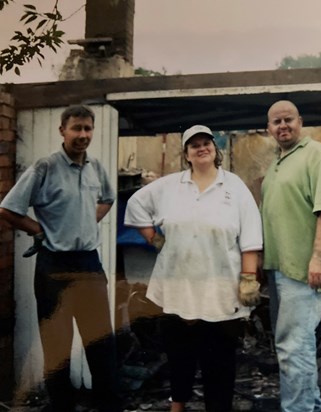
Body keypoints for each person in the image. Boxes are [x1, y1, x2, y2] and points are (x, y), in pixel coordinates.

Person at [124, 124, 262, 412]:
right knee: (179, 353)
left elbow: (251, 235)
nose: (201, 148)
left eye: (206, 142)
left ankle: (218, 406)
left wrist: (248, 278)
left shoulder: (234, 187)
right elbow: (136, 204)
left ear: (215, 148)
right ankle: (178, 405)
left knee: (220, 358)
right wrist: (153, 238)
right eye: (194, 144)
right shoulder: (170, 186)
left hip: (220, 291)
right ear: (186, 153)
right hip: (178, 287)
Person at [0, 105, 120, 412]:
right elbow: (8, 208)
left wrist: (87, 221)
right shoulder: (45, 167)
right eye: (76, 128)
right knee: (58, 346)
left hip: (89, 267)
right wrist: (38, 229)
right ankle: (63, 407)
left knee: (101, 345)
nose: (83, 135)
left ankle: (107, 406)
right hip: (54, 267)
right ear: (62, 131)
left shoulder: (96, 166)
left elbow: (107, 198)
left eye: (88, 129)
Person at [261, 100, 321, 412]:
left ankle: (298, 408)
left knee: (294, 347)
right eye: (276, 121)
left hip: (302, 269)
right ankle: (310, 405)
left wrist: (318, 256)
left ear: (300, 121)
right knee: (293, 346)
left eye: (288, 119)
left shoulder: (316, 154)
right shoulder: (278, 162)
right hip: (279, 268)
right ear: (268, 128)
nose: (283, 126)